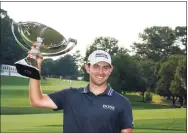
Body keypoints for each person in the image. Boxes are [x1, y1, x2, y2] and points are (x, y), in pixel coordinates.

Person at [29, 45, 134, 133]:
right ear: (88, 68)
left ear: (110, 70)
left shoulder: (122, 102)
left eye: (105, 67)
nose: (101, 72)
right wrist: (35, 67)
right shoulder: (69, 95)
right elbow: (36, 100)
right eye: (96, 66)